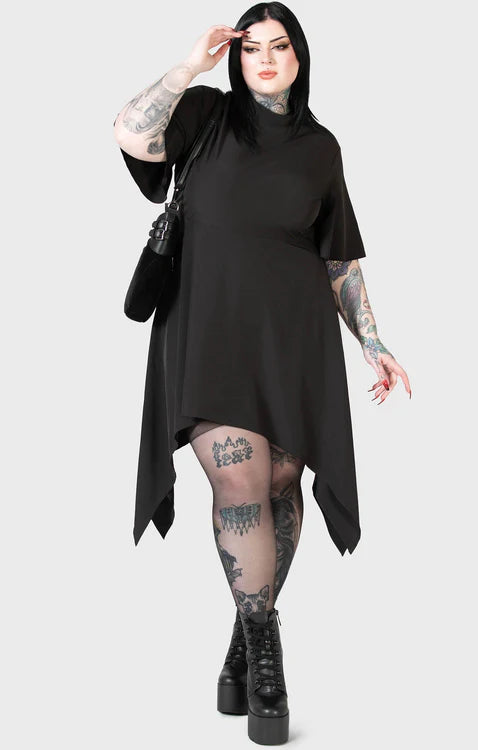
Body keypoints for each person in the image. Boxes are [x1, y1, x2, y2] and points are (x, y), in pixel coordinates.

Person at [113, 4, 411, 745]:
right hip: (209, 332)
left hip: (293, 341)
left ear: (300, 58)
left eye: (281, 47)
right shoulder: (205, 116)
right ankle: (267, 651)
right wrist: (191, 65)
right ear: (238, 58)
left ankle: (242, 640)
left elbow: (338, 257)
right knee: (239, 477)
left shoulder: (320, 148)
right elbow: (131, 132)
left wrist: (373, 341)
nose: (267, 58)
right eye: (254, 47)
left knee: (280, 482)